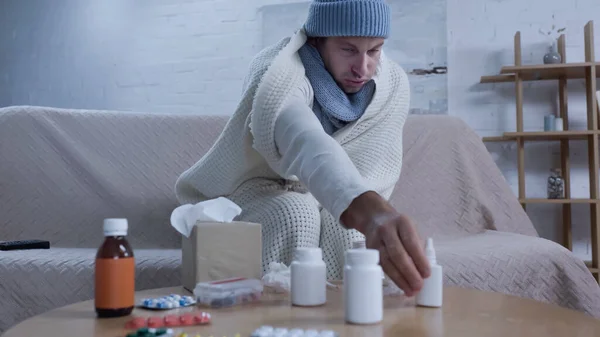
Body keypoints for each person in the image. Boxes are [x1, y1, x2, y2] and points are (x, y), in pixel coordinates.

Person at [175, 0, 430, 296]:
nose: (363, 67)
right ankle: (276, 318)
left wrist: (366, 214)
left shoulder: (391, 81)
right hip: (254, 189)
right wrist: (371, 211)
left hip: (329, 194)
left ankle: (344, 318)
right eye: (348, 49)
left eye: (374, 50)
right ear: (318, 40)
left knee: (345, 228)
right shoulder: (276, 71)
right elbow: (302, 137)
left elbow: (372, 164)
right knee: (294, 212)